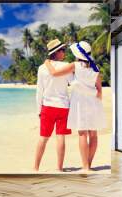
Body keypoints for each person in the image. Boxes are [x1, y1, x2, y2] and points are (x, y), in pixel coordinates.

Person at [44, 41, 106, 171]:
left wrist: (47, 63)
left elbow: (54, 73)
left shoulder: (75, 65)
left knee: (82, 134)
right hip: (94, 102)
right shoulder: (95, 68)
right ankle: (89, 164)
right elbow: (99, 91)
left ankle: (85, 167)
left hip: (80, 102)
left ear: (77, 54)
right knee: (93, 134)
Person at [34, 39, 74, 172]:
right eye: (63, 50)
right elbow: (72, 83)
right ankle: (59, 168)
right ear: (56, 52)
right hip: (63, 106)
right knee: (60, 137)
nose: (64, 52)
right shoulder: (66, 66)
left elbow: (40, 90)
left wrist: (39, 110)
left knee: (43, 138)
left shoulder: (42, 68)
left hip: (48, 106)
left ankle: (35, 168)